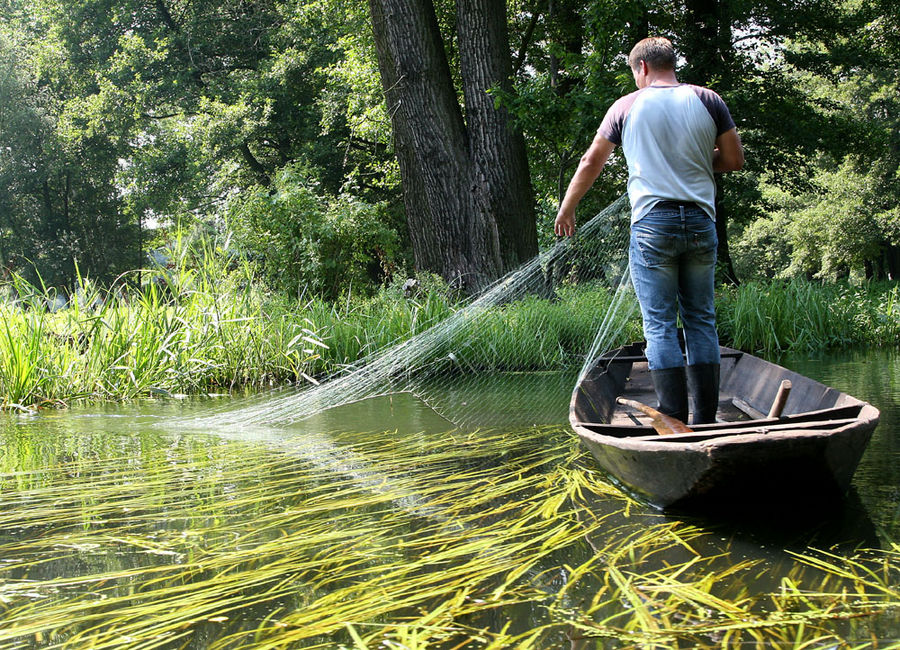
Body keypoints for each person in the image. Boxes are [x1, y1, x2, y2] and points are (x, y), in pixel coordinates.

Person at [554, 36, 744, 425]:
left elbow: (593, 160)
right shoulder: (709, 100)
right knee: (700, 320)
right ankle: (705, 419)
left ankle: (673, 420)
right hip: (700, 223)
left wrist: (568, 207)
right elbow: (734, 159)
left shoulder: (626, 106)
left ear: (641, 68)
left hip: (653, 225)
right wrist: (692, 160)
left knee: (659, 325)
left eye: (633, 74)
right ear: (670, 63)